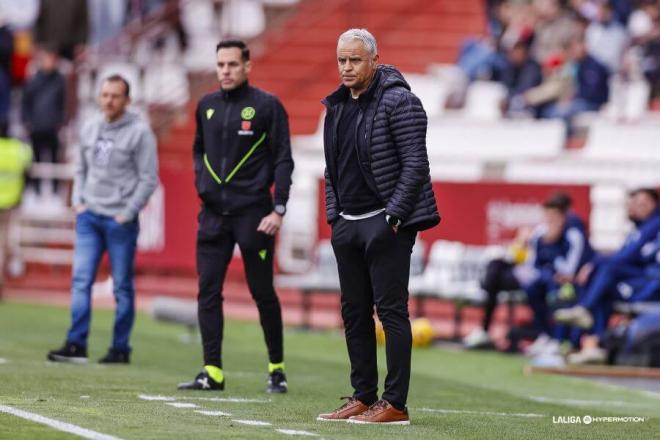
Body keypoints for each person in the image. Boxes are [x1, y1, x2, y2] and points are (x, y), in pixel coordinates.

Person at [316, 29, 440, 425]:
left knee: (391, 312)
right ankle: (363, 395)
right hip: (347, 224)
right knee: (354, 314)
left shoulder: (400, 101)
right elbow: (331, 170)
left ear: (373, 60)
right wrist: (334, 216)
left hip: (385, 222)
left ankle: (396, 403)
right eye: (341, 60)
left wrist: (394, 216)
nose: (346, 67)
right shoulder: (335, 106)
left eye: (354, 60)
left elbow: (416, 165)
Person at [177, 39, 294, 394]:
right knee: (207, 291)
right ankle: (212, 371)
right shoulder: (206, 106)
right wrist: (202, 180)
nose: (225, 71)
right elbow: (198, 149)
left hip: (254, 215)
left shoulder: (267, 106)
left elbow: (284, 160)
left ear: (247, 66)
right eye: (220, 65)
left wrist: (279, 208)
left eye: (231, 64)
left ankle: (277, 368)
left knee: (262, 292)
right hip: (213, 216)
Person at [47, 75, 158, 364]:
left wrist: (128, 212)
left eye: (115, 96)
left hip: (119, 219)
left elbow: (148, 179)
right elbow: (80, 167)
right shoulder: (90, 126)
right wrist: (78, 202)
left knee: (121, 285)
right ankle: (76, 343)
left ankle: (120, 348)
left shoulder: (140, 133)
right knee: (81, 279)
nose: (108, 100)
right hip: (90, 216)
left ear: (127, 100)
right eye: (105, 94)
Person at [463, 192, 593, 354]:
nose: (549, 222)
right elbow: (526, 260)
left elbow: (568, 270)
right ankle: (484, 329)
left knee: (543, 287)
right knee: (495, 266)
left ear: (562, 218)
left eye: (553, 218)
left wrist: (550, 256)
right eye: (547, 217)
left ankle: (553, 338)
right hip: (531, 273)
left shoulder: (573, 234)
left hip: (554, 280)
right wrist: (522, 243)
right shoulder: (540, 233)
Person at [555, 188, 660, 332]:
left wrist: (594, 263)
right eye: (635, 203)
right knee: (601, 286)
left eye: (642, 203)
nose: (636, 207)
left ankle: (584, 313)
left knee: (606, 270)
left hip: (649, 282)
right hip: (641, 277)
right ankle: (591, 340)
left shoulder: (653, 224)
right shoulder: (639, 227)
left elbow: (628, 256)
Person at [21, 45, 66, 196]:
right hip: (37, 126)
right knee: (36, 158)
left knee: (54, 158)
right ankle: (36, 190)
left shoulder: (60, 80)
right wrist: (27, 121)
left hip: (52, 126)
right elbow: (26, 101)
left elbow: (63, 103)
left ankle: (55, 190)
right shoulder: (34, 80)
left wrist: (61, 121)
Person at [0, 136, 32, 298]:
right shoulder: (18, 148)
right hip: (11, 201)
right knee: (5, 242)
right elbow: (28, 170)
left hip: (9, 202)